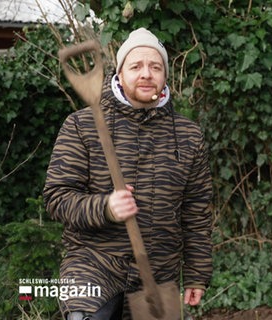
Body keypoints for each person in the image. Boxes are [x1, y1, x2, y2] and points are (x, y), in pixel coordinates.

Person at [44, 27, 213, 319]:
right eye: (136, 66)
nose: (146, 73)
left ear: (164, 77)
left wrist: (197, 273)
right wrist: (105, 207)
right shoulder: (81, 126)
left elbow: (196, 210)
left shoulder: (188, 135)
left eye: (155, 67)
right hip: (93, 263)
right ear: (120, 74)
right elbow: (57, 198)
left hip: (159, 270)